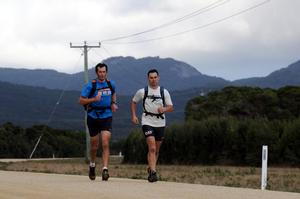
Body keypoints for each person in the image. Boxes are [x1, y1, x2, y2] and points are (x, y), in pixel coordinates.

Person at [131, 69, 173, 182]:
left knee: (156, 150)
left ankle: (151, 167)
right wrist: (134, 116)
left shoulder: (164, 92)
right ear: (148, 78)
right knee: (152, 147)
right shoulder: (142, 91)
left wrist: (164, 108)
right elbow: (134, 102)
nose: (153, 80)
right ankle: (153, 173)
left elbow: (170, 107)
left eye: (155, 77)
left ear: (158, 78)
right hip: (147, 121)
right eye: (151, 78)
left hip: (160, 122)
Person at [79, 63, 118, 181]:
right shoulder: (90, 85)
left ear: (106, 72)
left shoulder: (111, 84)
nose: (102, 74)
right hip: (93, 116)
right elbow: (81, 101)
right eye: (100, 72)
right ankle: (92, 164)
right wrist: (93, 99)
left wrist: (113, 104)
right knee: (94, 145)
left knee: (105, 142)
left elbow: (114, 94)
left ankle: (105, 169)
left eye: (104, 72)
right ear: (97, 73)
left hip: (106, 115)